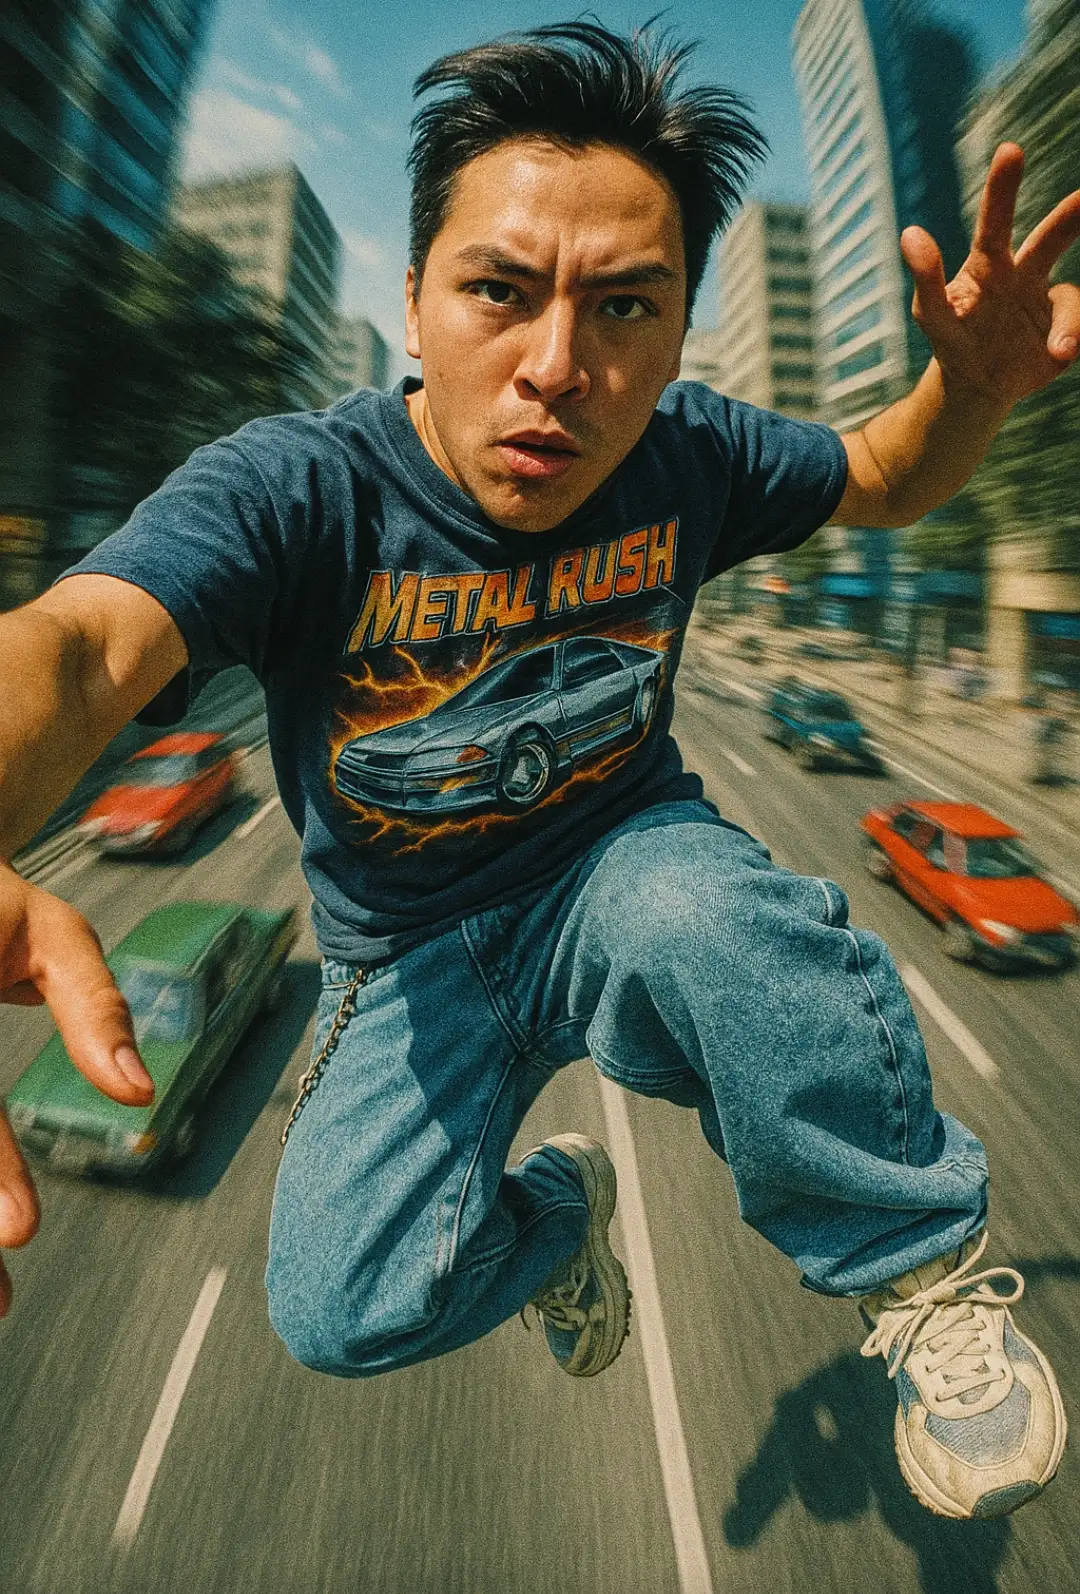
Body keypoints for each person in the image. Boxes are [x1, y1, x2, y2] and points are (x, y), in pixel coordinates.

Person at [1, 22, 1077, 1522]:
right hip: (403, 956)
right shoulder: (297, 491)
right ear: (415, 299)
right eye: (499, 292)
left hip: (619, 867)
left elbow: (887, 476)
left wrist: (973, 390)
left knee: (704, 916)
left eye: (624, 306)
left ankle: (914, 1262)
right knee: (339, 1308)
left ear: (680, 331)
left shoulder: (690, 456)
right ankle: (562, 1217)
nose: (557, 369)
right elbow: (76, 649)